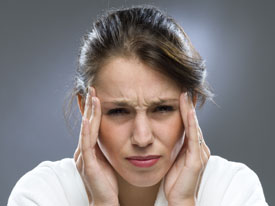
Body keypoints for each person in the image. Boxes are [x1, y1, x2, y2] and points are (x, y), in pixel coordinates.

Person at [8, 5, 268, 206]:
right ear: (85, 108)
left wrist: (183, 202)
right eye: (119, 111)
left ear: (192, 103)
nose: (142, 138)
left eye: (162, 109)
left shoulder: (233, 189)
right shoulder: (41, 194)